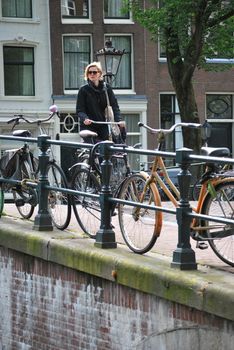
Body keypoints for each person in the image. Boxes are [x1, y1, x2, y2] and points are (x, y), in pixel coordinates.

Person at [76, 61, 126, 143]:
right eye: (89, 72)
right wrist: (85, 118)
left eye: (94, 72)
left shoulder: (106, 88)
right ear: (87, 75)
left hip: (103, 124)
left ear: (99, 74)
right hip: (89, 126)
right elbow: (79, 110)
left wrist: (118, 120)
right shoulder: (83, 90)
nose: (92, 74)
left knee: (112, 143)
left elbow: (114, 106)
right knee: (95, 146)